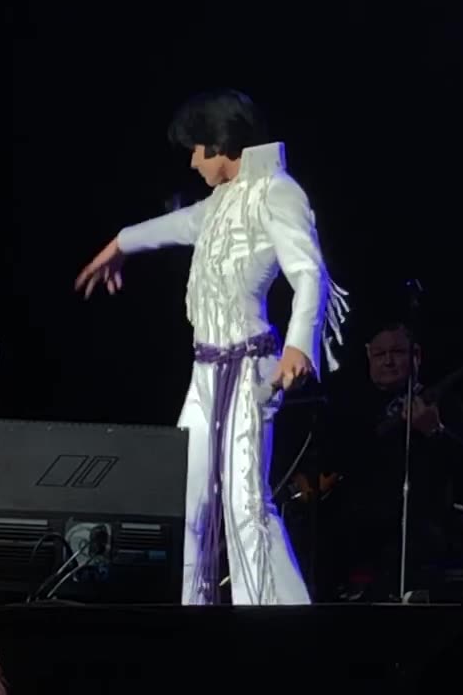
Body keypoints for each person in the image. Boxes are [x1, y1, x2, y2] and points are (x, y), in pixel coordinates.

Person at [74, 88, 348, 605]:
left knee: (246, 503)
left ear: (222, 143)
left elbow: (309, 271)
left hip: (250, 368)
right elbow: (173, 227)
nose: (194, 162)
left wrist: (299, 344)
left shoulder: (277, 191)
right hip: (205, 373)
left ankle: (279, 624)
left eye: (198, 150)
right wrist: (120, 243)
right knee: (187, 498)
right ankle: (192, 614)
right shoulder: (221, 202)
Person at [323, 321, 463, 602]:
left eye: (397, 352)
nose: (389, 361)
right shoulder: (350, 406)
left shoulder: (439, 400)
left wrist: (434, 432)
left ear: (416, 355)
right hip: (355, 530)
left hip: (420, 530)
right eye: (380, 355)